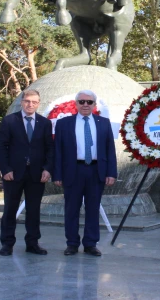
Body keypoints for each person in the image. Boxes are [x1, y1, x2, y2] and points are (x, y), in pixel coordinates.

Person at [54, 90, 117, 257]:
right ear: (76, 104)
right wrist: (57, 174)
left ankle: (90, 244)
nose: (85, 105)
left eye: (89, 102)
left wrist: (111, 172)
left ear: (94, 105)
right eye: (81, 102)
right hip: (73, 170)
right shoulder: (64, 124)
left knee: (93, 208)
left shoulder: (103, 122)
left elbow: (110, 150)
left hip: (96, 171)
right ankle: (72, 244)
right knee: (71, 209)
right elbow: (58, 151)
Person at [0, 89, 54, 256]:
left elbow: (50, 148)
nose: (30, 105)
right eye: (28, 101)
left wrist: (47, 169)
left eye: (34, 102)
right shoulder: (9, 121)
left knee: (34, 210)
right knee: (10, 210)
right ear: (22, 102)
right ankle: (7, 243)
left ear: (38, 104)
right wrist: (5, 169)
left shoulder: (45, 123)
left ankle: (33, 243)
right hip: (13, 174)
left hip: (37, 174)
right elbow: (1, 147)